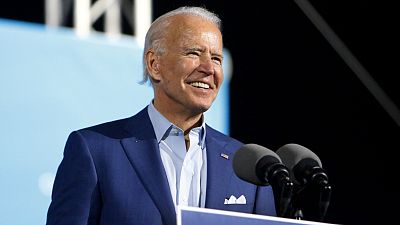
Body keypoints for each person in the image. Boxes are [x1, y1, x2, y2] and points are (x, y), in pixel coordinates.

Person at [46, 6, 276, 225]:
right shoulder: (95, 151)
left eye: (216, 58)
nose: (209, 68)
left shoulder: (248, 165)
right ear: (155, 64)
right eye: (194, 53)